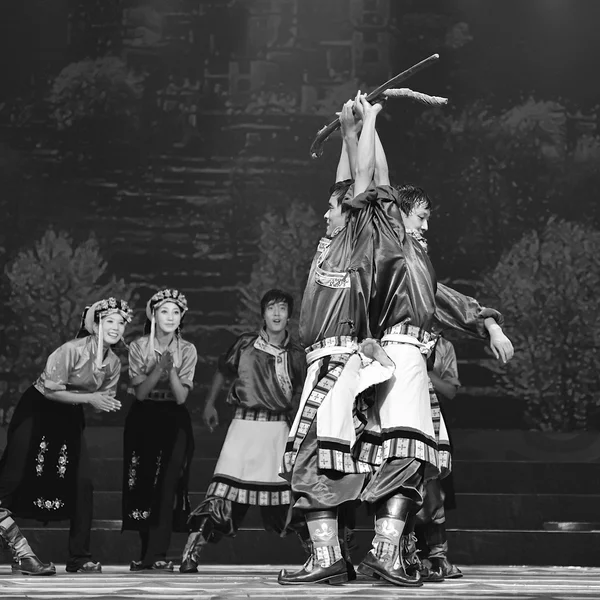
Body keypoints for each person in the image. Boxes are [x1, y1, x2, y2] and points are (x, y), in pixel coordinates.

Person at [0, 297, 132, 575]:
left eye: (121, 322)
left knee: (82, 483)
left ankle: (79, 557)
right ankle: (19, 551)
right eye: (109, 321)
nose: (116, 327)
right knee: (13, 477)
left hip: (70, 415)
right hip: (38, 410)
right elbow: (49, 390)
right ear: (95, 325)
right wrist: (92, 397)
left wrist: (99, 400)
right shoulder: (71, 350)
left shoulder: (113, 363)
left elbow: (102, 396)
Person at [179, 289, 306, 574]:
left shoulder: (296, 354)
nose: (276, 313)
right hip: (244, 426)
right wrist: (210, 404)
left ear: (289, 315)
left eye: (282, 308)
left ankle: (321, 556)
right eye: (271, 308)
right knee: (222, 494)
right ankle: (190, 553)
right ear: (262, 313)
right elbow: (224, 371)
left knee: (289, 498)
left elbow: (301, 391)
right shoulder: (246, 344)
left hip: (277, 430)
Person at [122, 288, 198, 572]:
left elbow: (181, 397)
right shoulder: (138, 347)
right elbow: (140, 393)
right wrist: (158, 369)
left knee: (168, 484)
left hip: (173, 418)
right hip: (144, 417)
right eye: (164, 311)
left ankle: (158, 553)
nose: (170, 317)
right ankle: (146, 554)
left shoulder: (188, 349)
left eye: (176, 312)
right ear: (153, 315)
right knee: (143, 483)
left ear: (182, 318)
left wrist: (172, 371)